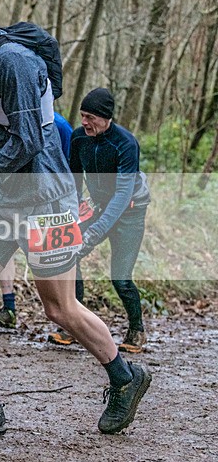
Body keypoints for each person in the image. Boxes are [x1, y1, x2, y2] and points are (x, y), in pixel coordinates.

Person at [0, 0, 151, 436]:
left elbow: (27, 141)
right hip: (5, 199)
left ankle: (125, 377)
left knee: (59, 308)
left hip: (48, 199)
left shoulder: (13, 62)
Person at [47, 88, 151, 353]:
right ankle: (73, 323)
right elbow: (73, 178)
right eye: (82, 116)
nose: (84, 122)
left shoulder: (126, 143)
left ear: (106, 118)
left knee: (120, 277)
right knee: (71, 251)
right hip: (99, 205)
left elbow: (121, 195)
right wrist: (72, 212)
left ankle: (136, 328)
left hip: (129, 210)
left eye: (90, 117)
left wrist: (93, 233)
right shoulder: (79, 138)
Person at [0, 112, 74, 328]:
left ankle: (71, 319)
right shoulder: (4, 119)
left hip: (49, 205)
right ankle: (8, 307)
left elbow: (68, 165)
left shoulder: (60, 125)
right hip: (10, 201)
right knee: (2, 249)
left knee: (57, 286)